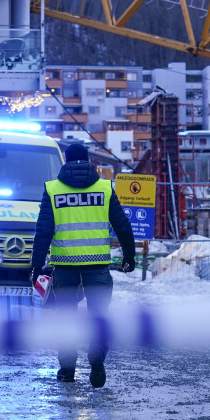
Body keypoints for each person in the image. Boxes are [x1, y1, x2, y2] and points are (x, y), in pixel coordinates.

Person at [31, 143, 135, 388]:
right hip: (97, 266)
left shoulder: (53, 189)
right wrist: (129, 256)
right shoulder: (104, 188)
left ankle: (67, 369)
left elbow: (43, 231)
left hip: (64, 266)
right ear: (88, 161)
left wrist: (36, 266)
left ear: (65, 161)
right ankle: (97, 359)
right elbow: (122, 225)